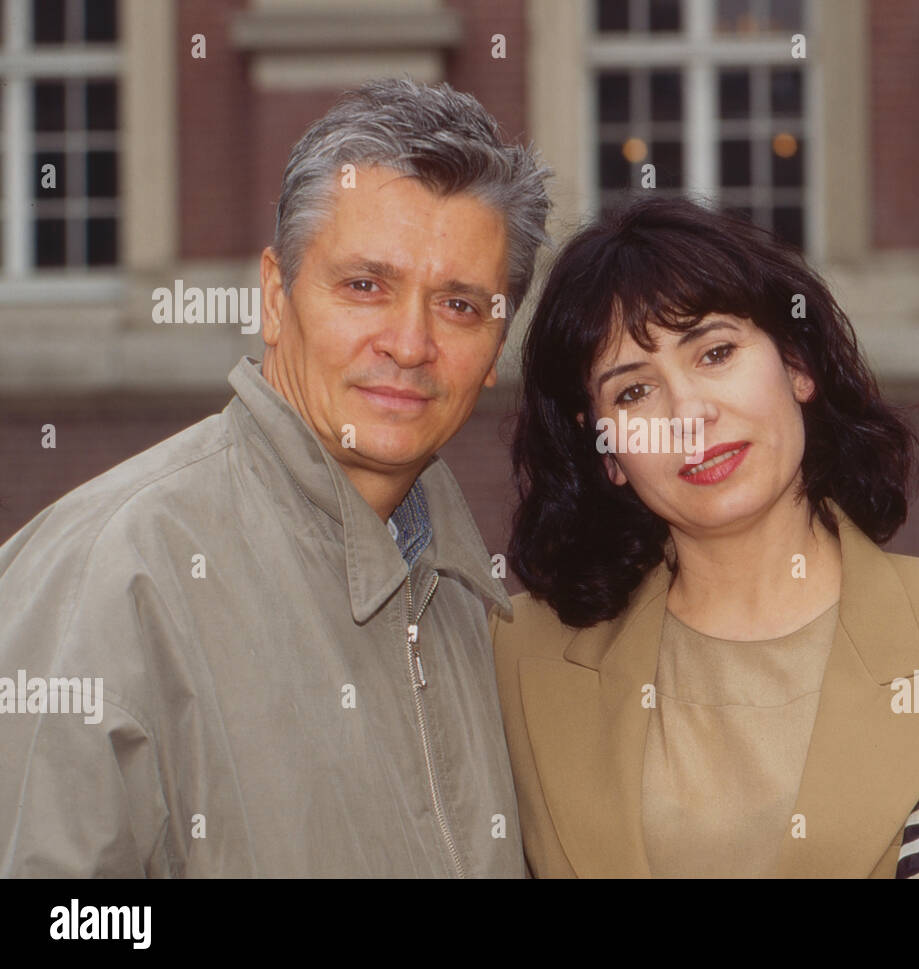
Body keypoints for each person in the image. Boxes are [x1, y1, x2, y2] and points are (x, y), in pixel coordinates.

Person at [0, 78, 550, 876]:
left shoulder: (472, 606)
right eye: (365, 285)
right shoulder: (112, 572)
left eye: (460, 305)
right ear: (274, 297)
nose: (409, 342)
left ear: (496, 351)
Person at [492, 196, 919, 877]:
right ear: (608, 452)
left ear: (797, 366)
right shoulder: (518, 652)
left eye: (716, 352)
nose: (689, 414)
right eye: (633, 392)